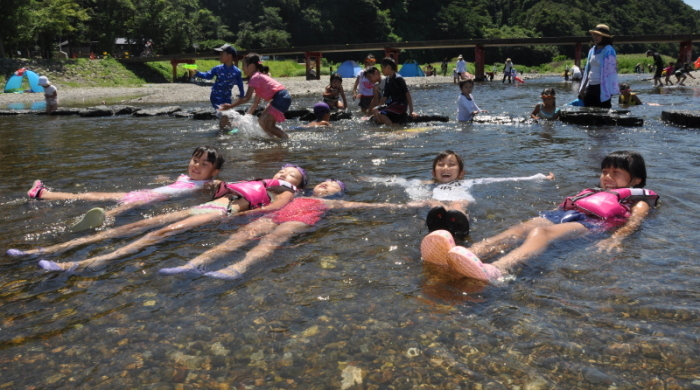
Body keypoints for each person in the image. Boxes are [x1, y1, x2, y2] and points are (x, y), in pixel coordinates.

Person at [421, 150, 658, 283]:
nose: (607, 177)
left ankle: (499, 269)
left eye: (616, 173)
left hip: (593, 224)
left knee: (539, 232)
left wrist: (616, 239)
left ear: (635, 181)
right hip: (563, 215)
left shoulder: (636, 200)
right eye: (605, 171)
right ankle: (466, 256)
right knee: (519, 228)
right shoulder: (593, 191)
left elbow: (635, 221)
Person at [31, 165, 308, 272]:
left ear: (298, 184)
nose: (284, 175)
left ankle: (81, 263)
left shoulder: (284, 191)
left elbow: (271, 209)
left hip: (224, 211)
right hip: (209, 206)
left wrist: (234, 217)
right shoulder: (263, 180)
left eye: (291, 174)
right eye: (282, 171)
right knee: (139, 225)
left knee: (158, 233)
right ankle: (49, 249)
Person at [160, 180, 427, 279]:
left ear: (338, 193)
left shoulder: (327, 203)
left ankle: (238, 268)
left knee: (273, 239)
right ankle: (196, 264)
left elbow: (367, 205)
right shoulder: (293, 196)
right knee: (240, 236)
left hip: (299, 220)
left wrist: (406, 205)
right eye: (322, 182)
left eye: (331, 184)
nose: (324, 185)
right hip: (278, 214)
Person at [370, 150, 554, 245]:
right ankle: (437, 222)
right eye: (441, 165)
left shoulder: (467, 182)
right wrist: (371, 179)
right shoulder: (429, 184)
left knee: (459, 203)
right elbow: (399, 181)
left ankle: (459, 225)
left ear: (461, 173)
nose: (446, 168)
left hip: (460, 202)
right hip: (438, 205)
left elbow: (503, 178)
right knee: (432, 203)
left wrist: (539, 177)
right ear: (434, 171)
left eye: (451, 165)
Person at [26, 146, 224, 231]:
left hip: (151, 198)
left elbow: (225, 187)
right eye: (195, 160)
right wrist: (162, 178)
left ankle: (106, 216)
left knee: (123, 207)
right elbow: (177, 184)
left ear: (214, 172)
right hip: (145, 194)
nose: (196, 166)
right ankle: (43, 193)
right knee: (91, 195)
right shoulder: (185, 177)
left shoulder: (210, 183)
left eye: (204, 165)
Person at [220, 53, 292, 140]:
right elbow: (255, 103)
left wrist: (231, 106)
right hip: (282, 97)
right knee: (261, 121)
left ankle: (285, 138)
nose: (242, 68)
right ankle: (272, 138)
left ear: (251, 66)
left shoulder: (255, 78)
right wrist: (246, 117)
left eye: (243, 65)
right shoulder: (259, 78)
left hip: (281, 97)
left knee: (266, 123)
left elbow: (247, 98)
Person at [192, 44, 244, 129]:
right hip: (216, 96)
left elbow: (240, 84)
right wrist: (197, 73)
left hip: (227, 97)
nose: (219, 56)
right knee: (224, 114)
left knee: (227, 115)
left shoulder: (237, 71)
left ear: (229, 55)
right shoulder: (217, 68)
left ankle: (226, 130)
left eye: (221, 54)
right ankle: (223, 132)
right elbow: (208, 76)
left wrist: (242, 95)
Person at [579, 24, 618, 108]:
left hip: (602, 87)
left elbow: (611, 72)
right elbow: (588, 70)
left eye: (598, 35)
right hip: (590, 86)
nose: (595, 37)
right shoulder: (592, 50)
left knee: (603, 114)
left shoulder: (609, 50)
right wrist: (582, 87)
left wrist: (609, 91)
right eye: (594, 35)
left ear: (604, 37)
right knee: (588, 111)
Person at [372, 57, 418, 126]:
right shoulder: (387, 79)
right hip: (393, 104)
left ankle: (393, 127)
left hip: (400, 105)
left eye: (382, 68)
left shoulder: (398, 78)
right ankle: (384, 124)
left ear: (388, 67)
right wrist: (379, 107)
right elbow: (385, 97)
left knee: (381, 114)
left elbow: (407, 94)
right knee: (375, 110)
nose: (381, 70)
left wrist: (411, 111)